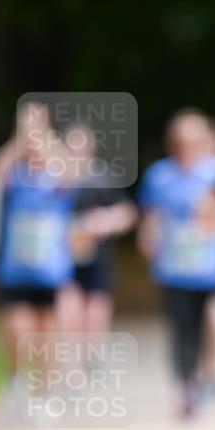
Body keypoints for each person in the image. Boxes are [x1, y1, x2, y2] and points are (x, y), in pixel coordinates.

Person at [137, 109, 215, 417]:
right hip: (175, 267)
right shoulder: (159, 175)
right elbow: (151, 217)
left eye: (193, 139)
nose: (187, 145)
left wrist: (214, 222)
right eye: (181, 139)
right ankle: (187, 384)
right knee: (183, 329)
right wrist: (148, 238)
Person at [0, 103, 76, 373]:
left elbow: (69, 169)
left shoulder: (56, 178)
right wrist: (23, 133)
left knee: (46, 330)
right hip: (16, 266)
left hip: (48, 267)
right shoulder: (16, 176)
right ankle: (16, 379)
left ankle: (45, 386)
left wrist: (42, 131)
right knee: (16, 327)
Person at [59, 123, 138, 335]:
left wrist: (107, 221)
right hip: (63, 258)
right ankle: (70, 362)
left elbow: (127, 213)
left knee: (96, 314)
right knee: (69, 314)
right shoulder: (54, 178)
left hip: (98, 258)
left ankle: (92, 359)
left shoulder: (103, 177)